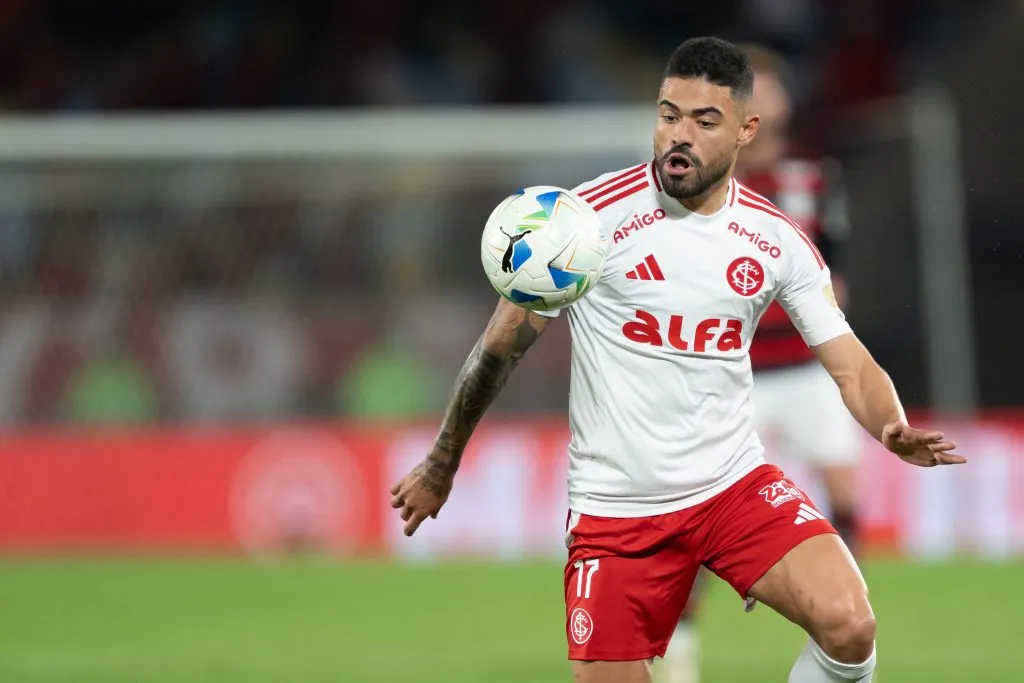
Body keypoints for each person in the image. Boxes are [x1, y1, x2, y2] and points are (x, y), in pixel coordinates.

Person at [390, 36, 965, 683]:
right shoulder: (583, 225)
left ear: (747, 129)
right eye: (669, 115)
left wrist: (888, 423)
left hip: (731, 487)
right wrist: (442, 463)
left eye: (704, 120)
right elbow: (499, 347)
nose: (678, 136)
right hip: (616, 511)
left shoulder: (776, 239)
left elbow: (851, 363)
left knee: (851, 623)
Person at [661, 44, 864, 683]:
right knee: (704, 513)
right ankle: (683, 637)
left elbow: (836, 261)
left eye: (776, 86)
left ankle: (834, 614)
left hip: (805, 369)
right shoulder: (705, 177)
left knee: (845, 495)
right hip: (734, 374)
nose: (771, 98)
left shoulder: (814, 174)